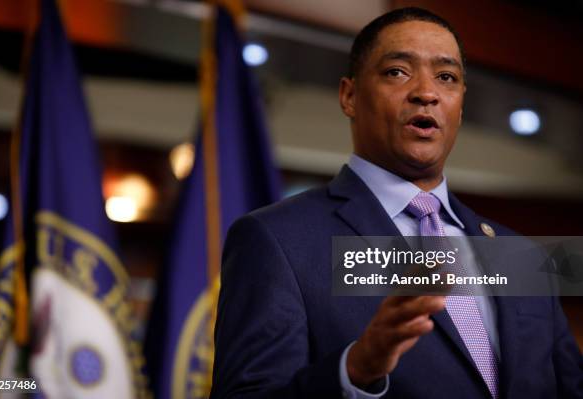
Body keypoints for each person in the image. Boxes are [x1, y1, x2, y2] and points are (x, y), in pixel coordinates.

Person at [209, 7, 583, 399]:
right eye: (397, 72)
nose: (426, 92)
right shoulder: (279, 240)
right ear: (349, 96)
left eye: (446, 77)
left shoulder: (519, 255)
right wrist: (353, 371)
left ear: (460, 103)